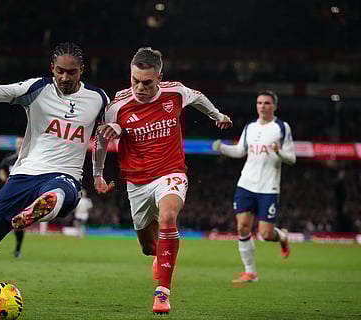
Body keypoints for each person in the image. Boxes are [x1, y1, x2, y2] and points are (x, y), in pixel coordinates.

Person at [0, 42, 109, 310]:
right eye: (60, 72)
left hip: (64, 175)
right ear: (52, 68)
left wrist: (98, 173)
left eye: (72, 72)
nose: (65, 78)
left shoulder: (99, 98)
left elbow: (102, 140)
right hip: (25, 175)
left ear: (82, 71)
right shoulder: (37, 89)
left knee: (60, 193)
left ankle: (43, 207)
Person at [92, 47, 233, 314]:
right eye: (135, 81)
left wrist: (218, 116)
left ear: (159, 77)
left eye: (147, 82)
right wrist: (98, 174)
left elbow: (199, 97)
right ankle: (160, 255)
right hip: (137, 181)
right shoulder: (117, 105)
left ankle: (162, 293)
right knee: (148, 248)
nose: (140, 88)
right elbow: (101, 140)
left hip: (171, 171)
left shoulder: (175, 92)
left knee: (168, 217)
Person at [212, 90, 296, 283]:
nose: (262, 106)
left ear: (274, 106)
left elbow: (292, 158)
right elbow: (241, 151)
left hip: (268, 187)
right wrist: (222, 148)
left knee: (265, 234)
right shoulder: (250, 127)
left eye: (267, 103)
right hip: (246, 184)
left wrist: (279, 152)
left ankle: (282, 236)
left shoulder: (282, 127)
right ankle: (250, 272)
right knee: (242, 227)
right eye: (259, 103)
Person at [0, 137, 25, 258]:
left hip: (23, 194)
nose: (19, 145)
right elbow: (2, 170)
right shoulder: (9, 159)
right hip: (9, 193)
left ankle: (18, 249)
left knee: (20, 222)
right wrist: (5, 179)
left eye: (21, 143)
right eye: (18, 143)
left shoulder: (28, 158)